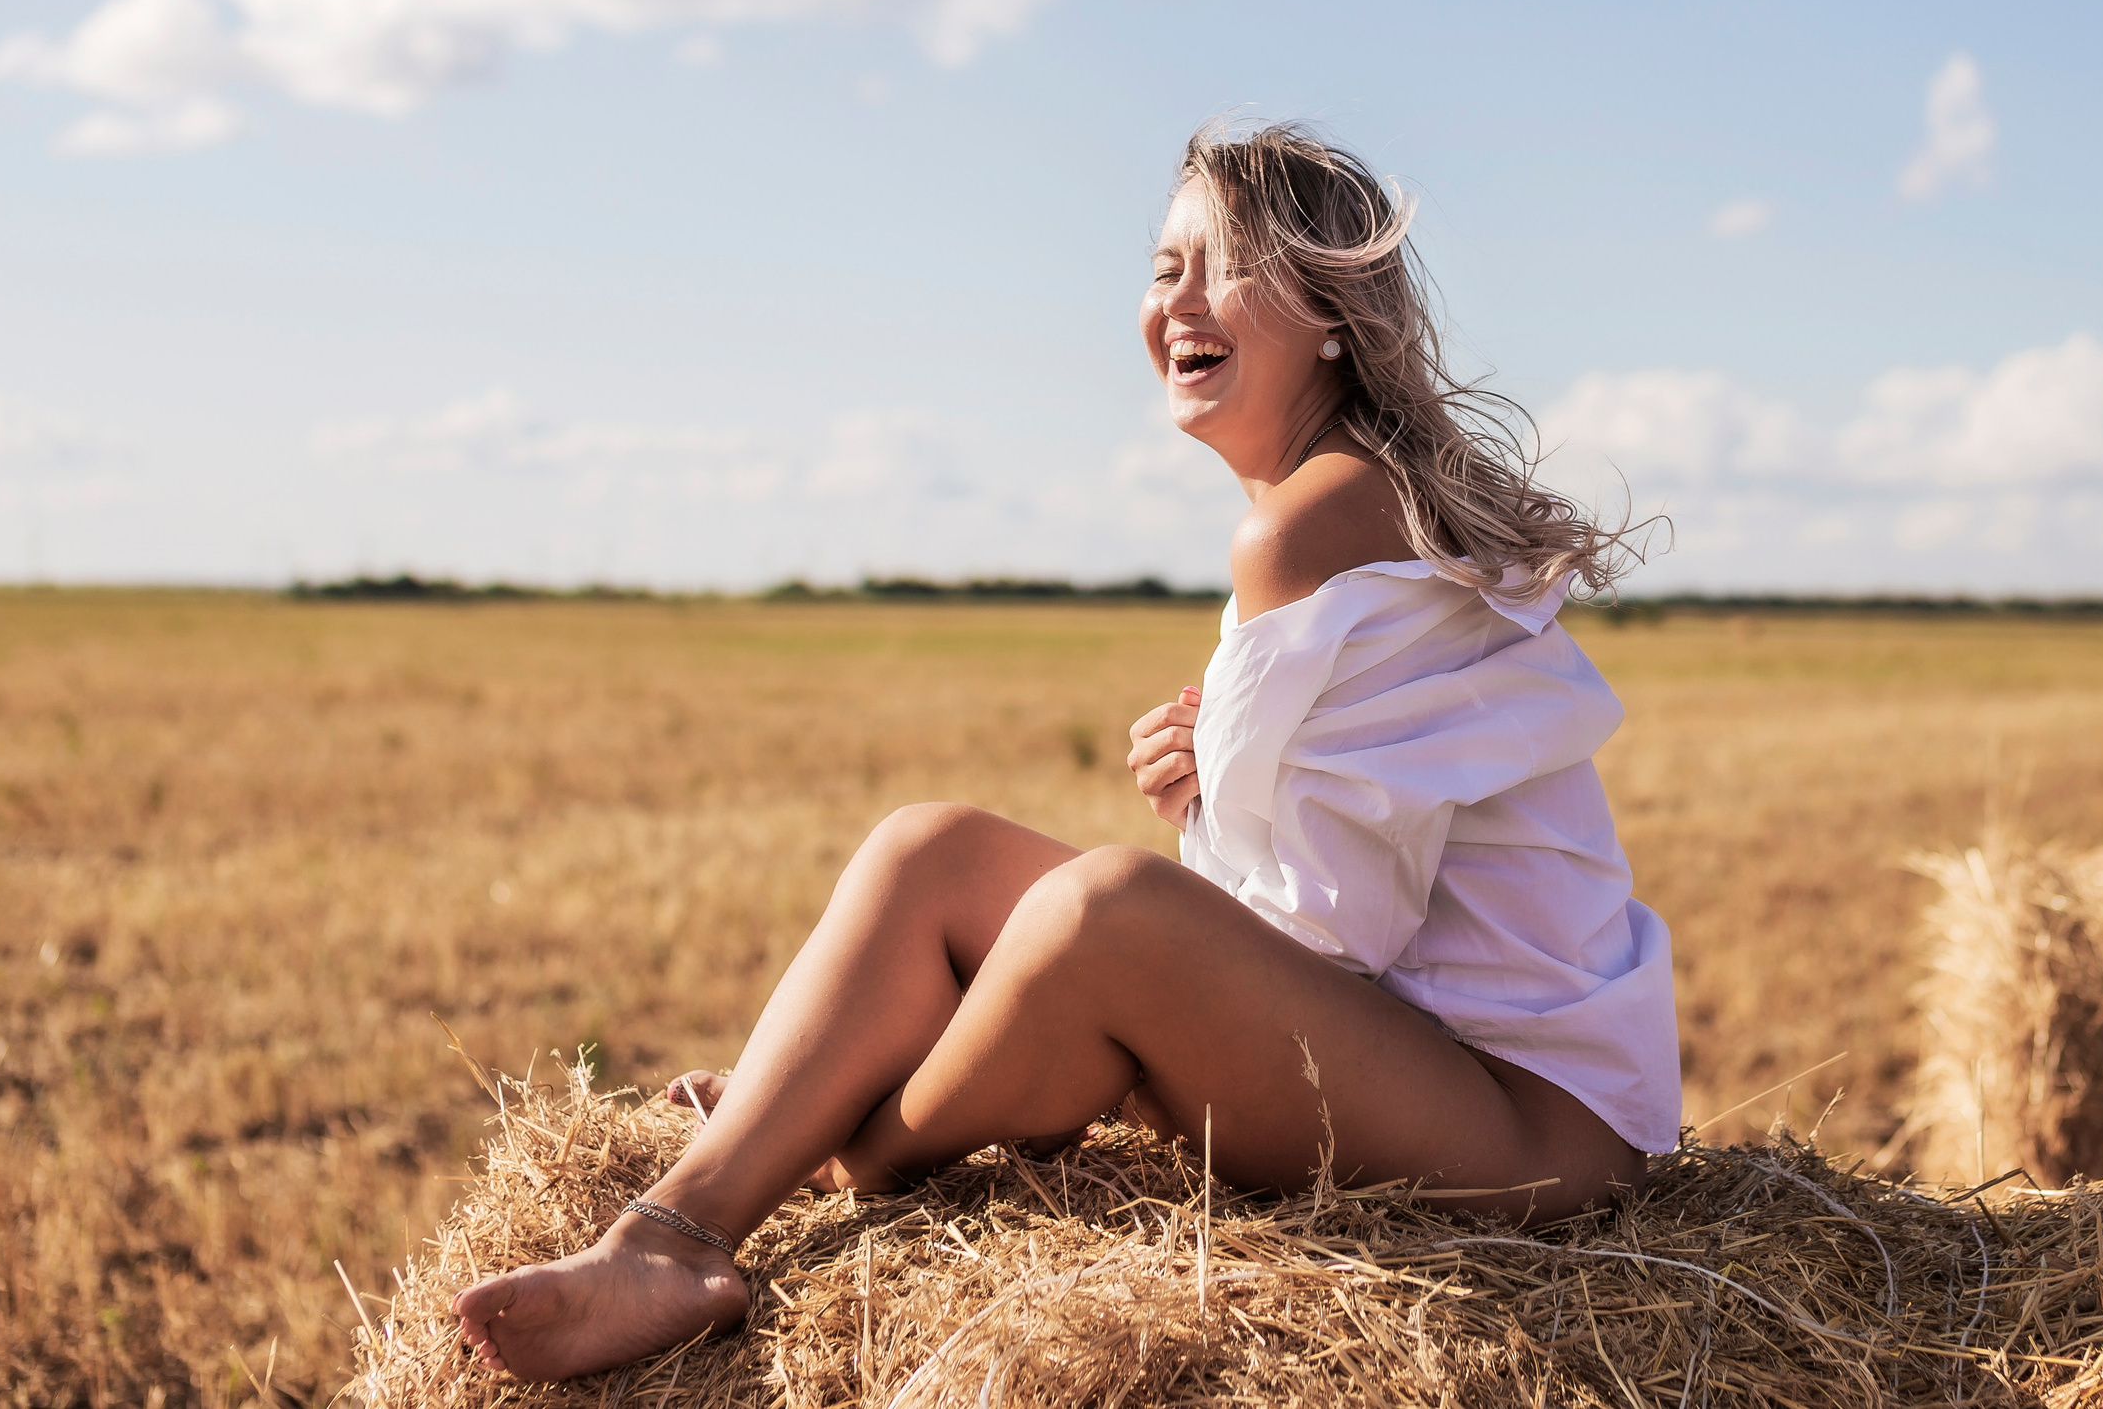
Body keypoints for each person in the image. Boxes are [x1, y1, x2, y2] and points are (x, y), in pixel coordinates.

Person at [453, 122, 1682, 1382]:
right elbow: (1337, 888)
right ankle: (684, 1216)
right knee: (933, 849)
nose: (1178, 304)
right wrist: (1222, 792)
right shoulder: (1335, 499)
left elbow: (1335, 936)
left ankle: (853, 1149)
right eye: (1163, 268)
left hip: (1530, 1135)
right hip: (1453, 1076)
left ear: (1328, 308)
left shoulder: (1309, 528)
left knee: (1106, 909)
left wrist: (1194, 844)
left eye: (1224, 264)